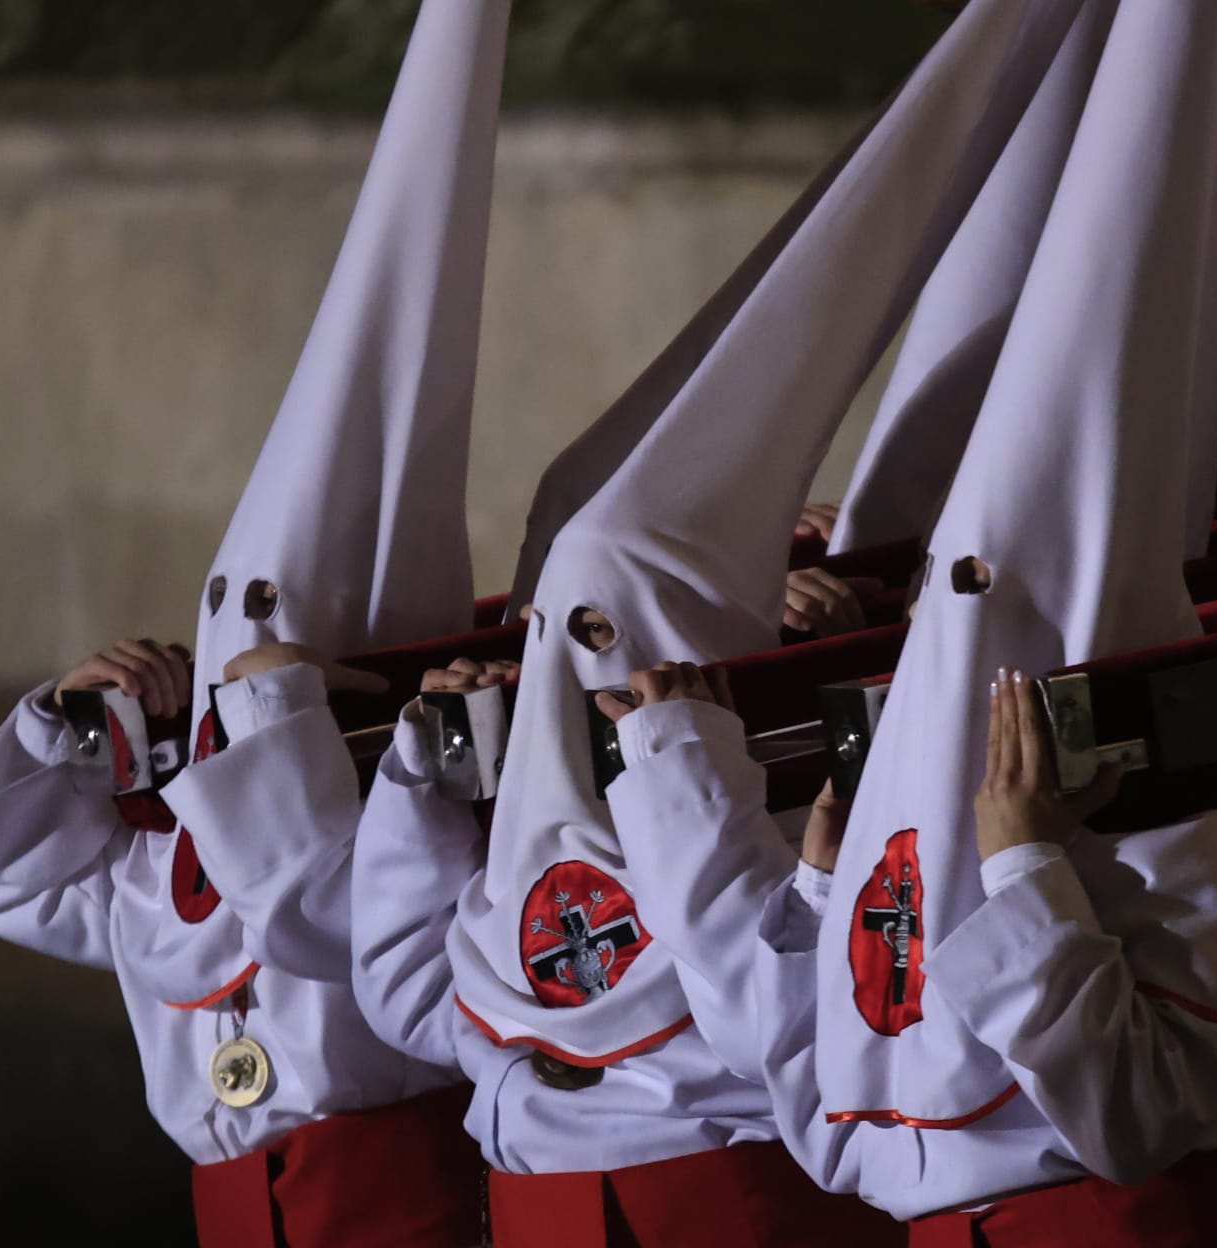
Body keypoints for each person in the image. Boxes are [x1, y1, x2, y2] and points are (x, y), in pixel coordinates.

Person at [596, 4, 1217, 1244]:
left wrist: (1024, 864)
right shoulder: (912, 801)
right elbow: (816, 1095)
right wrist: (823, 887)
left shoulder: (1200, 837)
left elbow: (1135, 1123)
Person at [349, 1, 1094, 1242]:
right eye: (546, 638)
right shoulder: (515, 907)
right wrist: (425, 785)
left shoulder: (742, 791)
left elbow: (768, 997)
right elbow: (409, 997)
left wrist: (692, 753)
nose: (559, 670)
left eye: (568, 638)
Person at [0, 3, 510, 1241]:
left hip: (402, 1199)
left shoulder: (428, 812)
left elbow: (322, 918)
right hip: (231, 1208)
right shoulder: (159, 856)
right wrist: (59, 727)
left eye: (274, 666)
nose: (242, 680)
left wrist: (287, 716)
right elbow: (21, 884)